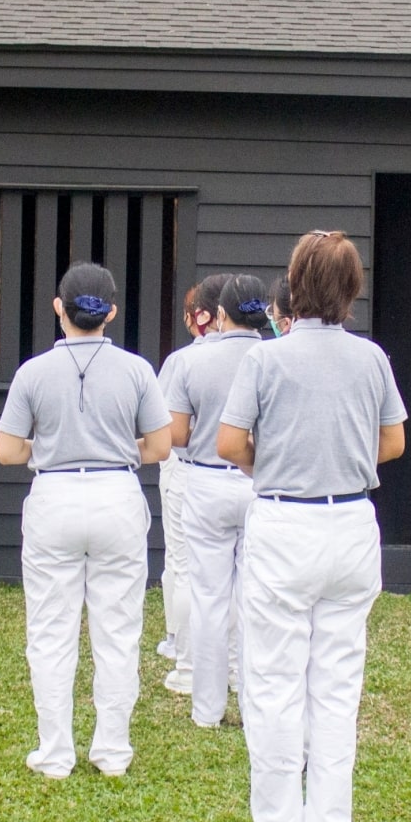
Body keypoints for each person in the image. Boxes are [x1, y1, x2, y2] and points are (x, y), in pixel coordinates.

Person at [218, 231, 406, 822]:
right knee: (337, 686)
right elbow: (393, 443)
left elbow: (229, 443)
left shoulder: (266, 360)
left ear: (293, 286)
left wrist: (271, 463)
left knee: (272, 683)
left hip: (284, 523)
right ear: (351, 289)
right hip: (351, 523)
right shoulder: (372, 358)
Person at [0, 263, 172, 778]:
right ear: (110, 312)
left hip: (54, 496)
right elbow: (160, 446)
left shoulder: (32, 372)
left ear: (59, 307)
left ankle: (54, 751)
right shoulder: (137, 370)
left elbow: (7, 451)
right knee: (118, 630)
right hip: (116, 493)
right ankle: (112, 749)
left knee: (50, 630)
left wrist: (45, 448)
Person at [167, 274, 271, 729]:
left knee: (207, 594)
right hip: (259, 482)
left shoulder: (189, 360)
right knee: (254, 599)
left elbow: (175, 434)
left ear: (221, 314)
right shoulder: (274, 356)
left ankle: (206, 709)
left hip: (205, 479)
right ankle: (251, 702)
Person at [155, 283, 217, 692]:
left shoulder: (181, 361)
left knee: (180, 560)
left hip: (184, 465)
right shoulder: (253, 355)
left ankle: (179, 643)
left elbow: (165, 425)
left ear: (202, 316)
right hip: (234, 470)